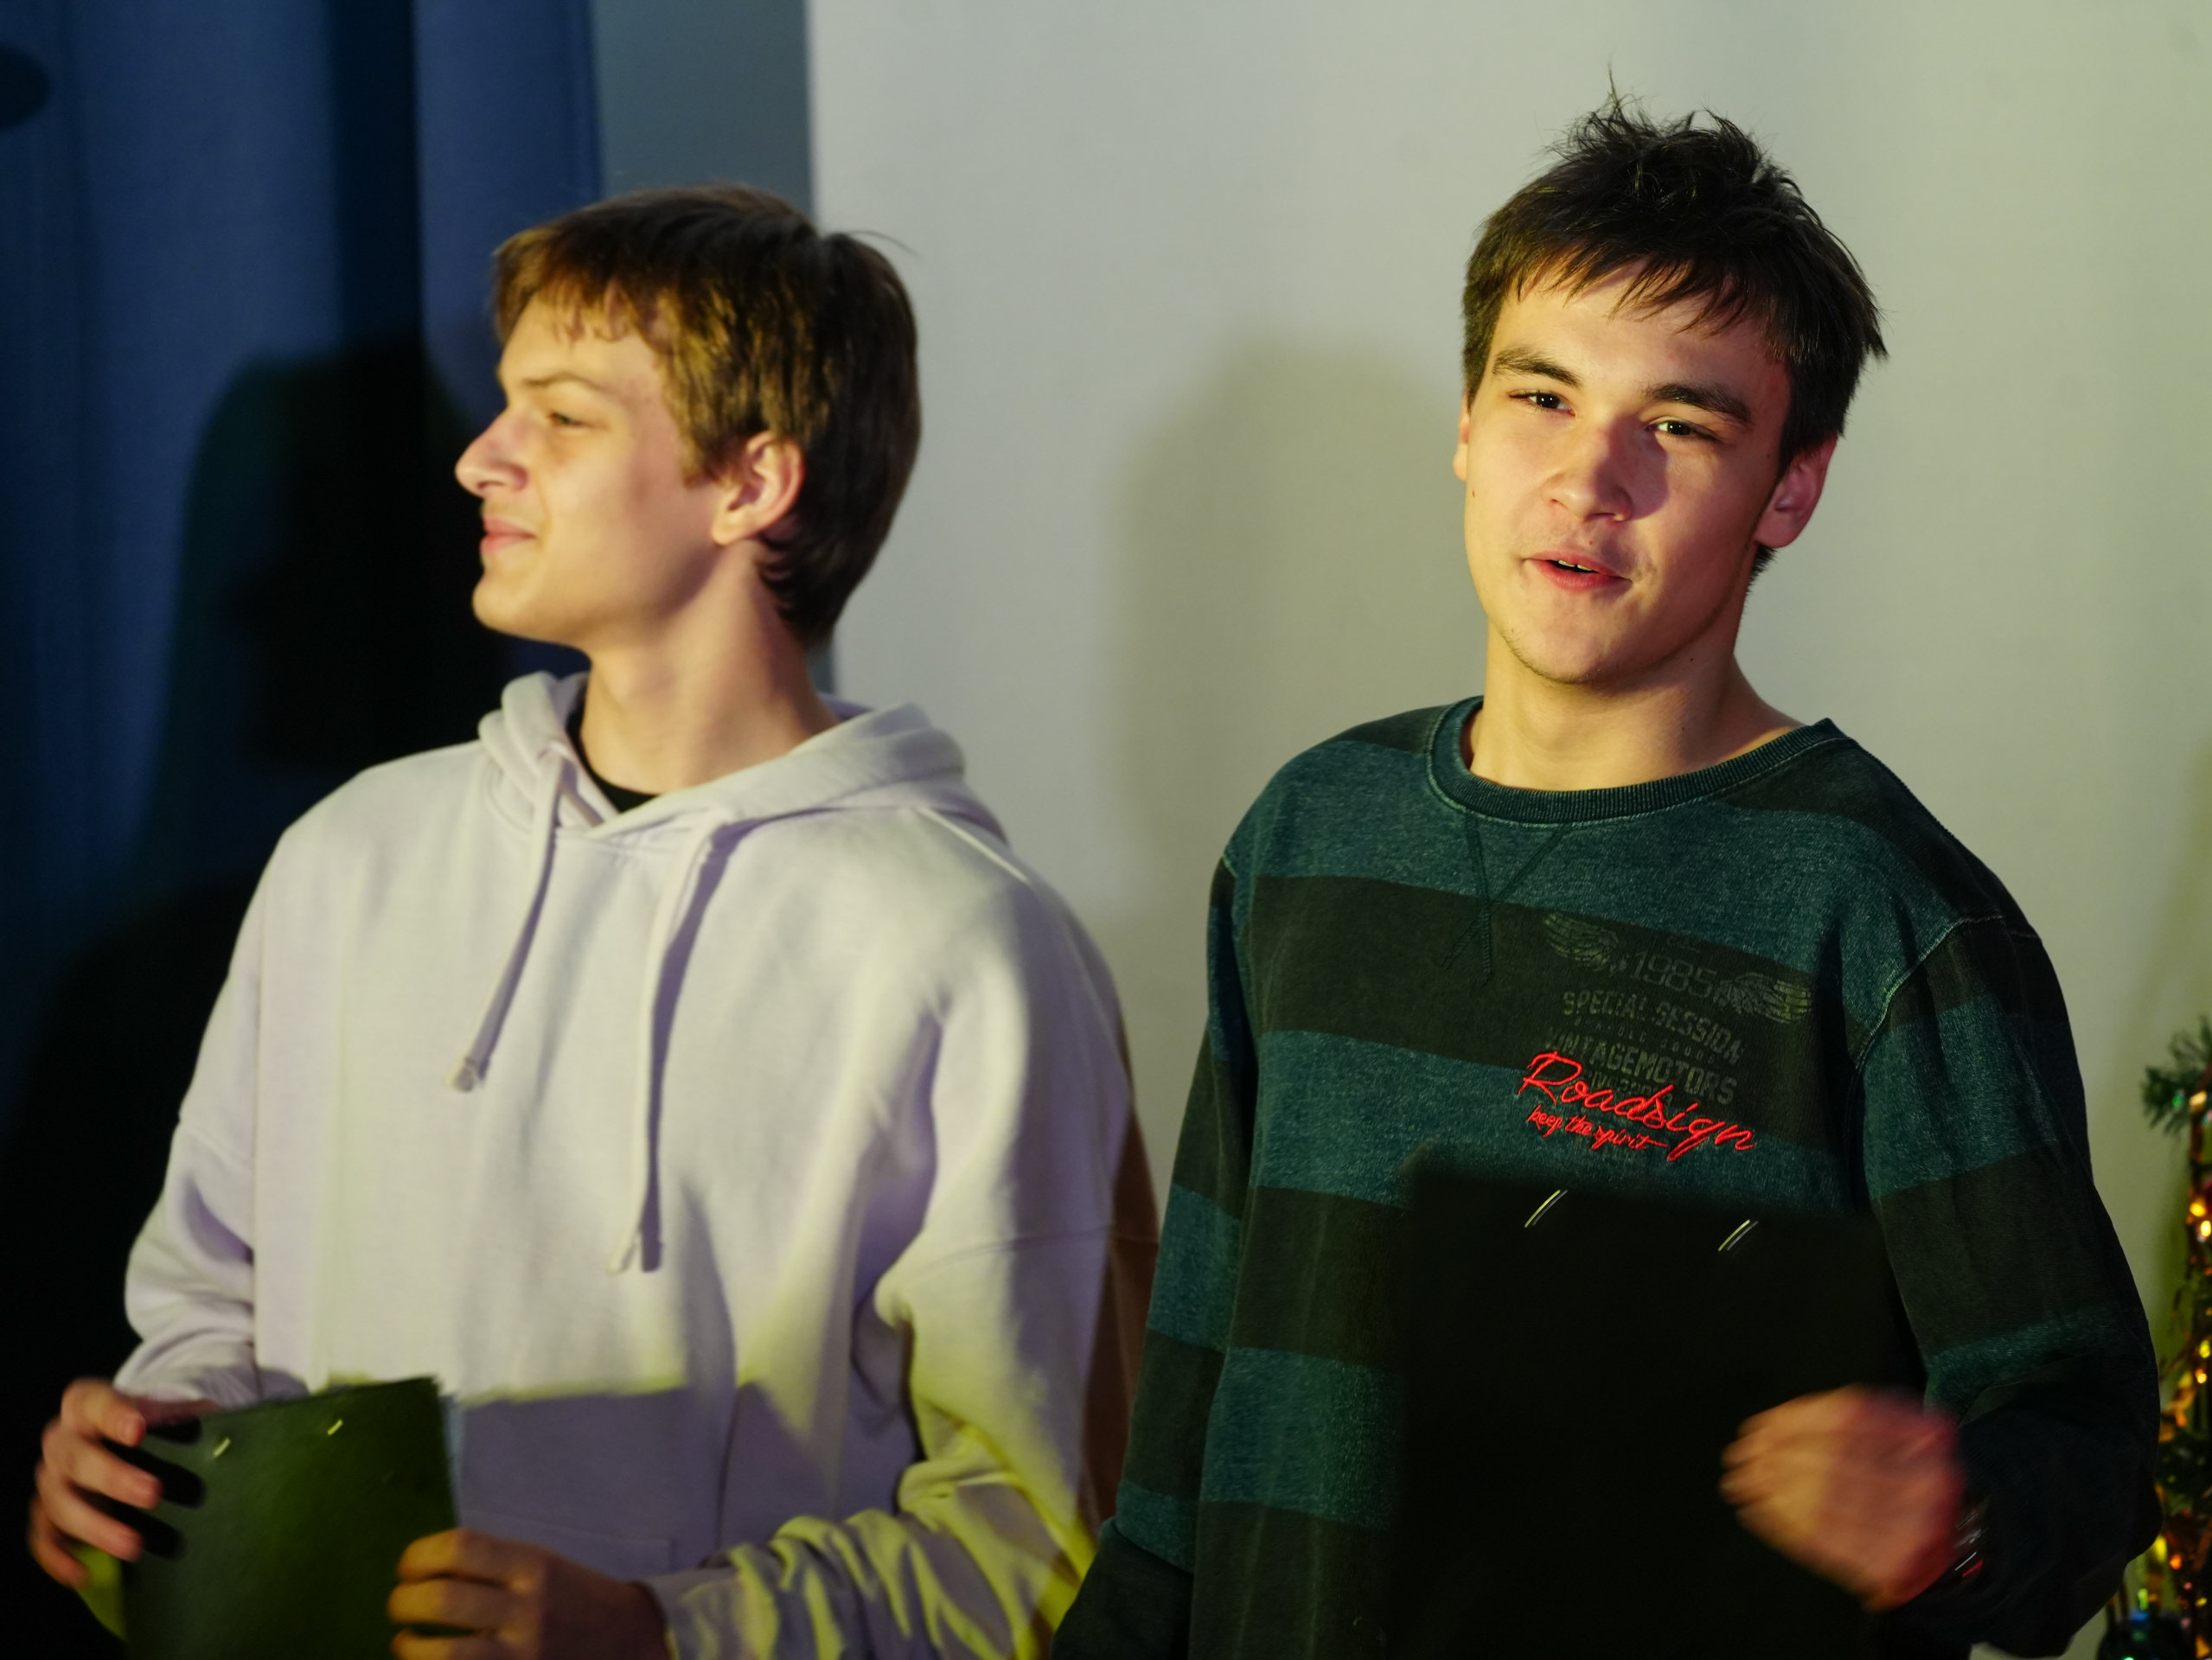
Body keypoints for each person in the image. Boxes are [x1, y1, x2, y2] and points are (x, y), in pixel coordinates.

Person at [1056, 99, 2156, 1659]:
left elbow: (2088, 1453)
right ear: (1464, 423)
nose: (1589, 481)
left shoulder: (1884, 917)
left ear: (1790, 489)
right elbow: (1184, 1441)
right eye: (1541, 397)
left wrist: (1953, 1515)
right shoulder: (1309, 835)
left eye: (1680, 427)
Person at [28, 184, 1154, 1659]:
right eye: (508, 404)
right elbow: (207, 1306)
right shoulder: (351, 857)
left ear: (750, 483)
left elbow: (1042, 1531)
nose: (479, 456)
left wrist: (661, 1633)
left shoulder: (968, 948)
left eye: (559, 416)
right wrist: (154, 1458)